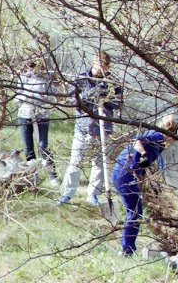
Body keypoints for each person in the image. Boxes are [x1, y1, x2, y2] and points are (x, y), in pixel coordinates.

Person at [59, 51, 122, 205]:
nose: (104, 68)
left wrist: (106, 97)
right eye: (102, 64)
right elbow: (75, 101)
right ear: (95, 62)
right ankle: (67, 194)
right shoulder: (82, 79)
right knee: (76, 161)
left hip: (103, 127)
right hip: (83, 127)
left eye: (107, 65)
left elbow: (118, 103)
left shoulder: (113, 81)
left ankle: (93, 194)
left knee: (99, 162)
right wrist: (93, 93)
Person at [112, 115, 177, 256]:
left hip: (127, 174)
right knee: (134, 212)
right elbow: (136, 141)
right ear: (171, 134)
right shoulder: (157, 136)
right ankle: (126, 249)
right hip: (124, 173)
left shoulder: (159, 143)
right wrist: (143, 153)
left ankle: (128, 248)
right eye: (173, 139)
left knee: (135, 212)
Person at [15, 56, 58, 184]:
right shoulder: (23, 78)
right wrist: (25, 97)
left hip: (41, 114)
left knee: (43, 145)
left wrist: (39, 99)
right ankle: (32, 176)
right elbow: (17, 98)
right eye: (30, 65)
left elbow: (52, 96)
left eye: (34, 65)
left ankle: (52, 176)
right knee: (28, 147)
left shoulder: (45, 78)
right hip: (25, 114)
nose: (32, 68)